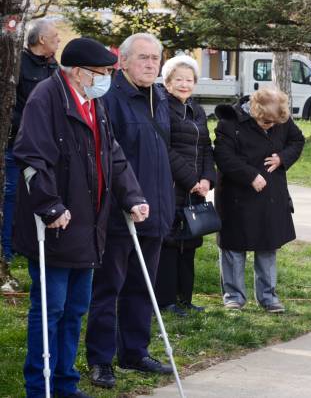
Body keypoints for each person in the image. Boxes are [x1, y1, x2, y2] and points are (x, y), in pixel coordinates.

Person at [13, 37, 149, 398]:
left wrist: (133, 197)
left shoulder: (94, 102)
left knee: (75, 309)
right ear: (78, 71)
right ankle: (39, 386)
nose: (106, 79)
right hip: (56, 226)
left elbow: (113, 155)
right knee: (51, 309)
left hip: (88, 227)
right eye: (101, 72)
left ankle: (65, 382)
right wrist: (50, 206)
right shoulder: (46, 97)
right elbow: (31, 157)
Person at [86, 33, 175, 389]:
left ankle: (135, 352)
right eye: (143, 57)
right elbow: (106, 157)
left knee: (143, 286)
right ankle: (100, 359)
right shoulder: (109, 98)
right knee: (108, 288)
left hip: (155, 211)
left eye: (155, 58)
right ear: (122, 61)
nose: (151, 64)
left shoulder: (161, 97)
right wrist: (126, 199)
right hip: (119, 214)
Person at [214, 89, 305, 313]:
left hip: (270, 194)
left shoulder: (280, 119)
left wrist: (282, 158)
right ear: (254, 111)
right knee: (234, 247)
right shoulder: (229, 122)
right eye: (266, 122)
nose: (270, 126)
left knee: (267, 244)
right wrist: (250, 176)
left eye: (275, 123)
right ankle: (234, 296)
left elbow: (297, 140)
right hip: (236, 195)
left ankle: (268, 297)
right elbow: (223, 156)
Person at [155, 55, 216, 316]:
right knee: (169, 243)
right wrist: (190, 180)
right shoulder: (161, 108)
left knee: (190, 241)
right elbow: (164, 148)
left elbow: (206, 147)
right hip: (172, 185)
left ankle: (185, 299)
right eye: (178, 79)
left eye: (189, 80)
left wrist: (207, 179)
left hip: (196, 190)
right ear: (167, 82)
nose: (184, 84)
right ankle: (166, 301)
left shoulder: (197, 109)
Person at [3, 18, 60, 261]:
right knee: (11, 196)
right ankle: (7, 249)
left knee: (41, 193)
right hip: (18, 144)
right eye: (55, 37)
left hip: (47, 146)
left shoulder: (54, 66)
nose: (59, 40)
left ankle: (31, 245)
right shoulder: (17, 63)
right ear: (41, 40)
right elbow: (11, 105)